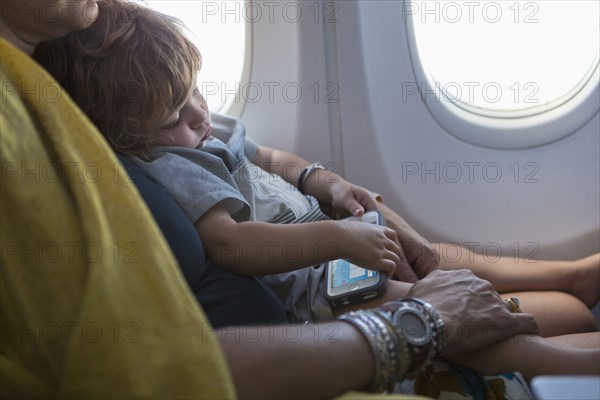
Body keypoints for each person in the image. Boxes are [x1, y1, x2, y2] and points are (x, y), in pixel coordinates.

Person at [0, 0, 548, 398]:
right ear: (133, 132)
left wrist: (323, 181)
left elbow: (266, 155)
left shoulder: (171, 121)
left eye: (197, 90)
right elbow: (161, 347)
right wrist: (412, 308)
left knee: (460, 263)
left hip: (326, 245)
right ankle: (562, 358)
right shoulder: (163, 160)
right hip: (315, 284)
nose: (200, 118)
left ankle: (567, 275)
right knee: (491, 313)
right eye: (175, 117)